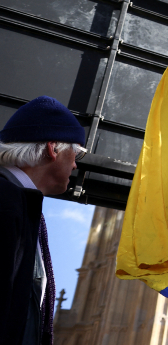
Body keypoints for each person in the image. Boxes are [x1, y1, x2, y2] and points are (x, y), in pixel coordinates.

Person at [0, 96, 87, 345]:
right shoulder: (5, 201)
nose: (74, 165)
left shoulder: (23, 206)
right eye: (76, 154)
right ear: (53, 149)